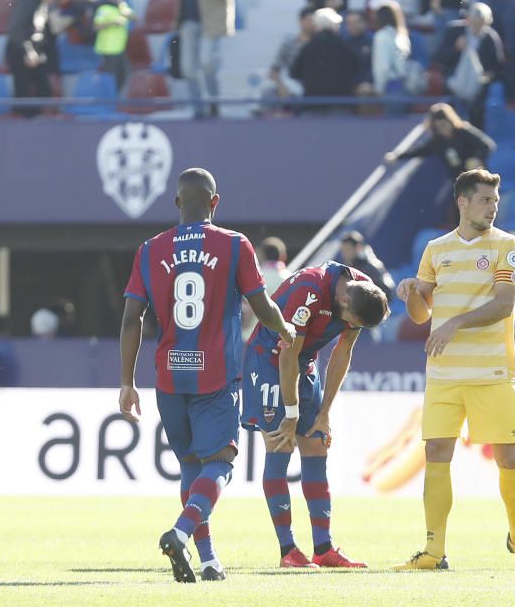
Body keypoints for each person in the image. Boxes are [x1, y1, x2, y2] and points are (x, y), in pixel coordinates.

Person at [118, 168, 296, 583]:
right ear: (216, 203)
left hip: (169, 376)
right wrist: (285, 330)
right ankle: (181, 533)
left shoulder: (149, 249)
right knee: (220, 463)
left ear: (177, 203)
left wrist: (127, 381)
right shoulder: (234, 245)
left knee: (190, 465)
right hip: (215, 374)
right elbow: (261, 302)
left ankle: (210, 559)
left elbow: (131, 320)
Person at [392, 168, 515, 571]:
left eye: (495, 200)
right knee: (436, 453)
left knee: (508, 457)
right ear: (462, 202)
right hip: (444, 373)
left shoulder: (506, 245)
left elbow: (504, 304)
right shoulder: (436, 249)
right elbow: (422, 312)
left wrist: (456, 322)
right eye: (485, 200)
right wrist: (412, 292)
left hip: (492, 372)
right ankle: (434, 551)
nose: (493, 207)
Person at [242, 260, 388, 569]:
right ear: (344, 300)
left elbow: (343, 351)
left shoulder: (362, 290)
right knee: (280, 443)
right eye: (352, 321)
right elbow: (287, 353)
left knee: (317, 442)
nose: (351, 326)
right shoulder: (309, 290)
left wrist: (325, 413)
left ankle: (323, 548)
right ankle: (288, 550)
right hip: (270, 359)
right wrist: (292, 412)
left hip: (304, 362)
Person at [176, 0, 250, 119]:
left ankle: (214, 104)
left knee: (207, 62)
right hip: (188, 22)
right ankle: (198, 109)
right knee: (187, 69)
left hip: (211, 22)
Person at [4, 0, 70, 118]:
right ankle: (22, 126)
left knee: (43, 88)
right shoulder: (27, 0)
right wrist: (29, 51)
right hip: (20, 50)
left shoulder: (41, 4)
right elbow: (16, 30)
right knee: (23, 90)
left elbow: (39, 30)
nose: (53, 0)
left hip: (34, 51)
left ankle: (38, 120)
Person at [433, 3, 504, 128]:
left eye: (481, 23)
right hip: (453, 80)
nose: (477, 26)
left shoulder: (490, 37)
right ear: (468, 19)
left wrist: (488, 76)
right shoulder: (454, 31)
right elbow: (439, 57)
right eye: (474, 22)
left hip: (478, 85)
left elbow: (497, 66)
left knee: (478, 107)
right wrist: (455, 49)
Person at [386, 103, 496, 179]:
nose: (443, 129)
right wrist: (397, 156)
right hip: (460, 184)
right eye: (438, 127)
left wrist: (476, 158)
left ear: (450, 121)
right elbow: (419, 151)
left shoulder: (463, 131)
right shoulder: (437, 141)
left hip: (479, 179)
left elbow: (487, 145)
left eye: (444, 124)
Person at [290, 8, 359, 113]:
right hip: (340, 105)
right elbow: (356, 68)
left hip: (312, 106)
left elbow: (295, 72)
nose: (338, 26)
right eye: (336, 24)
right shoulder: (343, 46)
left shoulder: (308, 47)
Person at [264, 7, 315, 110]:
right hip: (292, 83)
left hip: (313, 84)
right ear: (300, 21)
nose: (312, 23)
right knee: (269, 92)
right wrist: (281, 86)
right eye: (309, 20)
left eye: (314, 20)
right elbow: (274, 71)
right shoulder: (288, 44)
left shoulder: (319, 44)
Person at [93, 0, 136, 93]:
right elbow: (96, 26)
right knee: (110, 78)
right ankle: (108, 101)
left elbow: (136, 18)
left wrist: (128, 15)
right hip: (107, 50)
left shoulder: (123, 8)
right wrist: (112, 23)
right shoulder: (103, 9)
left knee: (124, 74)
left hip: (119, 49)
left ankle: (114, 99)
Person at [337, 231, 395, 302]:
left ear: (358, 248)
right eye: (343, 251)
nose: (344, 254)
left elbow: (387, 293)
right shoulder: (347, 268)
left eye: (348, 250)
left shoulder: (371, 267)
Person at [371, 1, 412, 98]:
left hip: (391, 88)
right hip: (405, 86)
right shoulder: (403, 36)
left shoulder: (381, 36)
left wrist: (378, 89)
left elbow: (382, 67)